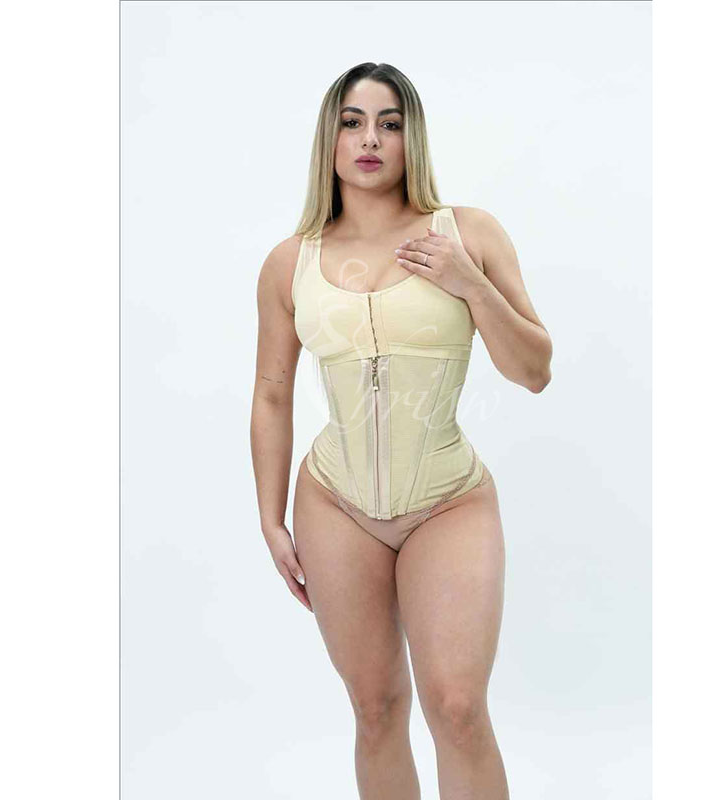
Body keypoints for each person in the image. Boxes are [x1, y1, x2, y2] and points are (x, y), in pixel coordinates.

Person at [251, 62, 552, 799]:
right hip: (334, 502)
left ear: (412, 137)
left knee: (458, 708)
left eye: (389, 124)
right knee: (376, 708)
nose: (370, 140)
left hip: (448, 500)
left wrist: (468, 281)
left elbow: (535, 370)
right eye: (352, 122)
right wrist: (270, 518)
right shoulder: (290, 262)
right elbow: (272, 393)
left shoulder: (467, 233)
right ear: (328, 139)